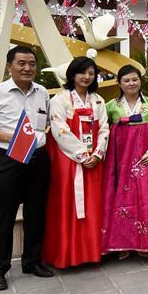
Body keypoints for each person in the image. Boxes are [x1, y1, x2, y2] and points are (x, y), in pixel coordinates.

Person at [0, 45, 53, 291]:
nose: (27, 68)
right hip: (8, 158)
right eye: (21, 63)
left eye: (32, 63)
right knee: (1, 215)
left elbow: (46, 124)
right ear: (9, 66)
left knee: (36, 212)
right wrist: (12, 138)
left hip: (38, 158)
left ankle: (32, 261)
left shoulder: (43, 93)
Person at [102, 64, 148, 257]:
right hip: (119, 162)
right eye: (126, 80)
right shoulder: (111, 107)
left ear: (140, 81)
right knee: (121, 200)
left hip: (147, 160)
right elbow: (102, 130)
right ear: (119, 83)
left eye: (135, 79)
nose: (131, 83)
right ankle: (123, 244)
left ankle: (147, 241)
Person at [43, 56, 110, 269]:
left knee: (93, 205)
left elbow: (105, 129)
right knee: (66, 205)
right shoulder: (59, 100)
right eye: (83, 72)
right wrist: (82, 155)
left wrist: (98, 154)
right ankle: (67, 255)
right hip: (67, 161)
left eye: (91, 73)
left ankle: (91, 252)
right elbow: (59, 130)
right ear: (72, 74)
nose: (87, 77)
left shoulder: (98, 101)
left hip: (94, 161)